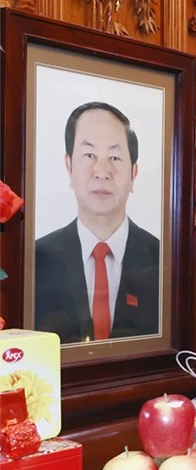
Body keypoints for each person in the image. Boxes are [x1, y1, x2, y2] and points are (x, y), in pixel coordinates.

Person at [35, 102, 159, 343]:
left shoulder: (162, 260)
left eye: (115, 157)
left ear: (133, 174)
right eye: (89, 155)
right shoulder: (37, 259)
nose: (102, 171)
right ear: (69, 166)